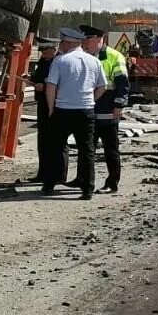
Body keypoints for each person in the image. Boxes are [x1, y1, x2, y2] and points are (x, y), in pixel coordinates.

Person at [42, 27, 107, 199]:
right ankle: (87, 189)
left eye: (62, 42)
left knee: (54, 148)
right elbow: (102, 86)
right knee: (87, 150)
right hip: (86, 111)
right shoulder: (94, 61)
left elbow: (51, 86)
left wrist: (50, 108)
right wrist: (91, 100)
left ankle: (49, 185)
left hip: (63, 110)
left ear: (68, 42)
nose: (60, 46)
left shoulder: (60, 61)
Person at [80, 25, 129, 193]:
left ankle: (112, 183)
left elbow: (122, 84)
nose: (85, 43)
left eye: (88, 39)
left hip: (108, 109)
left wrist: (118, 105)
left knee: (110, 149)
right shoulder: (85, 56)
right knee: (86, 148)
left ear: (100, 39)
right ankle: (84, 180)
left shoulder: (114, 56)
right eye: (85, 39)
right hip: (89, 108)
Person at [27, 40, 66, 185]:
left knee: (57, 140)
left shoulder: (61, 61)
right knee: (43, 140)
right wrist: (31, 80)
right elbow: (38, 77)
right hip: (43, 103)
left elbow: (61, 84)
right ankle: (43, 174)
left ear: (54, 49)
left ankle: (59, 175)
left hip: (56, 104)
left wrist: (43, 87)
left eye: (45, 51)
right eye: (42, 52)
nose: (43, 54)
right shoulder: (43, 61)